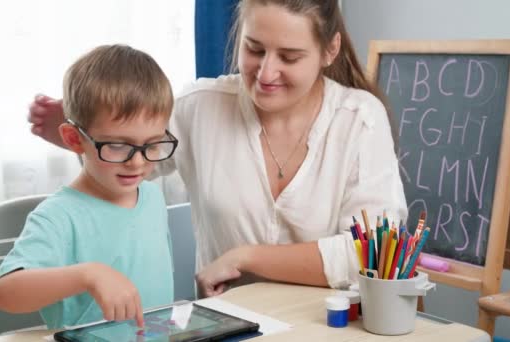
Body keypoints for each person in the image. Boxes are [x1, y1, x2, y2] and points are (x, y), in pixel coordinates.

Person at [28, 0, 407, 297]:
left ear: (330, 50)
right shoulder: (199, 107)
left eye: (289, 57)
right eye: (254, 49)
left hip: (332, 326)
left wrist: (246, 256)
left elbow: (373, 254)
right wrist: (88, 128)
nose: (266, 73)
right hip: (229, 324)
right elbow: (127, 157)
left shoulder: (360, 120)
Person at [0, 44, 179, 329]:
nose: (138, 162)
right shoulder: (59, 216)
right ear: (73, 139)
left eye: (152, 144)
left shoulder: (152, 197)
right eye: (118, 145)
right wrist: (88, 275)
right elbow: (7, 293)